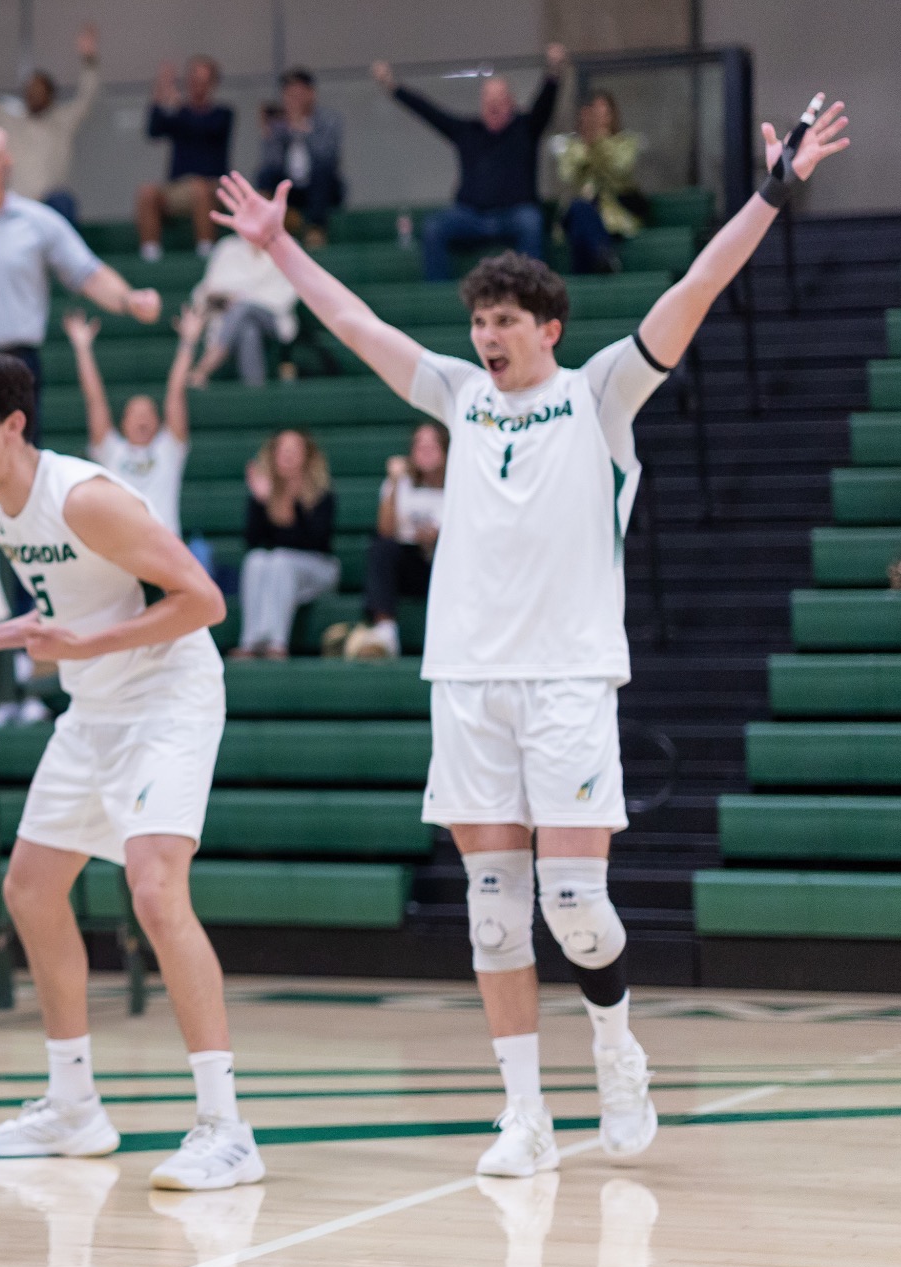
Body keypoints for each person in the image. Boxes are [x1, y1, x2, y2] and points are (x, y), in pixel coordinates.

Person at [210, 94, 850, 1177]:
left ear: (547, 326)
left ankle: (613, 1044)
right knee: (494, 919)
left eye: (504, 321)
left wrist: (769, 193)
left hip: (564, 678)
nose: (486, 337)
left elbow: (693, 288)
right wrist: (278, 252)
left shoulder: (600, 394)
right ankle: (522, 1115)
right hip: (464, 681)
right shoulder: (458, 398)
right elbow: (359, 329)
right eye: (478, 321)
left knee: (574, 907)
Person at [0, 352, 266, 1194]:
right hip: (96, 707)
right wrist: (5, 634)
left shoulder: (84, 496)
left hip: (168, 697)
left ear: (12, 425)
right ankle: (73, 1104)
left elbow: (203, 599)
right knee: (30, 890)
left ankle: (226, 1127)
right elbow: (75, 606)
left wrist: (82, 645)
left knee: (155, 891)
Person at [0, 122, 162, 444]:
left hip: (15, 367)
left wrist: (129, 300)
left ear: (5, 164)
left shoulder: (38, 222)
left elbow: (88, 274)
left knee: (16, 471)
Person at [373, 45, 568, 281]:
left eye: (500, 99)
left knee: (531, 223)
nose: (494, 105)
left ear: (511, 103)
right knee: (434, 228)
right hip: (470, 216)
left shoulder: (526, 128)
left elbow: (545, 102)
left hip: (515, 214)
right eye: (489, 100)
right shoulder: (467, 132)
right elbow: (429, 112)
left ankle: (534, 292)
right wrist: (393, 87)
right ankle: (438, 297)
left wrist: (555, 71)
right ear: (481, 103)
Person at [62, 304, 200, 536]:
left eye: (148, 414)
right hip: (123, 549)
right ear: (123, 424)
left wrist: (189, 342)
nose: (142, 420)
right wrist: (82, 349)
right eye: (135, 414)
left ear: (158, 423)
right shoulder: (110, 450)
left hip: (164, 549)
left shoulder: (169, 449)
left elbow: (176, 393)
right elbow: (95, 400)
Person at [0, 24, 102, 222]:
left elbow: (87, 96)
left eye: (40, 90)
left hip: (52, 205)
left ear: (50, 94)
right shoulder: (10, 121)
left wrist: (89, 60)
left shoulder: (64, 120)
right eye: (30, 90)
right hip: (17, 204)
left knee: (64, 202)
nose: (34, 95)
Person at [233, 430, 338, 660]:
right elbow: (252, 541)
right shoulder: (263, 492)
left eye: (294, 450)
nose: (288, 455)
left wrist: (285, 505)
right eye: (282, 449)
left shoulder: (321, 495)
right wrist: (262, 503)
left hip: (319, 569)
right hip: (278, 570)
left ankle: (275, 643)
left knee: (280, 560)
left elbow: (314, 541)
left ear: (307, 456)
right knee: (256, 560)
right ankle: (250, 641)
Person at [359, 422, 450, 658]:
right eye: (419, 445)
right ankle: (385, 630)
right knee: (381, 547)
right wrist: (394, 484)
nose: (425, 450)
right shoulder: (401, 483)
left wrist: (438, 539)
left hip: (445, 564)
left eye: (432, 445)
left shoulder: (459, 483)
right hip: (410, 565)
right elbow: (385, 530)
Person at [137, 55, 233, 261]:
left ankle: (206, 251)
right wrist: (160, 92)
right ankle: (150, 255)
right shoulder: (180, 113)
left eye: (203, 81)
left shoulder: (222, 114)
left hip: (212, 187)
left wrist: (179, 107)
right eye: (194, 79)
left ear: (213, 83)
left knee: (199, 188)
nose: (198, 86)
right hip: (178, 188)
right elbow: (154, 130)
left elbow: (203, 127)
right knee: (147, 193)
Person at [553, 91, 651, 274]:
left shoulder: (625, 142)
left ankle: (597, 264)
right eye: (594, 116)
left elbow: (621, 169)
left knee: (580, 231)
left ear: (613, 116)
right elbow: (567, 176)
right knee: (579, 210)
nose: (599, 121)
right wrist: (585, 146)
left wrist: (599, 143)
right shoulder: (572, 146)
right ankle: (604, 257)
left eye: (603, 114)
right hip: (578, 215)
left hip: (615, 219)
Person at [188, 232, 298, 387]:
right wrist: (226, 297)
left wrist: (238, 297)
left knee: (242, 307)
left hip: (274, 319)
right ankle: (255, 392)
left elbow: (286, 296)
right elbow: (205, 291)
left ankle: (208, 362)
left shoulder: (287, 246)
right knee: (248, 330)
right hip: (231, 320)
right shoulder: (227, 247)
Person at [255, 68, 345, 243]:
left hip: (319, 186)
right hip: (289, 187)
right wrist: (272, 133)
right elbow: (271, 163)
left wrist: (303, 131)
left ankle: (316, 229)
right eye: (288, 94)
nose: (293, 99)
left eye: (299, 93)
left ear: (311, 94)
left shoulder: (328, 120)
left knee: (322, 172)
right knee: (264, 176)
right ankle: (267, 227)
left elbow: (328, 157)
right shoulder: (277, 125)